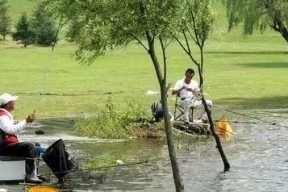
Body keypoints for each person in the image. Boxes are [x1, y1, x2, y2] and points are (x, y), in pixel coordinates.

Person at [0, 93, 42, 183]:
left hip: (7, 145)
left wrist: (23, 122)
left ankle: (35, 173)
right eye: (13, 102)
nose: (14, 103)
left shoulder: (5, 115)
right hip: (4, 147)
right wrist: (26, 121)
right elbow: (11, 130)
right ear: (7, 104)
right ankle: (29, 176)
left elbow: (11, 126)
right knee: (29, 146)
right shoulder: (2, 117)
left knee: (36, 145)